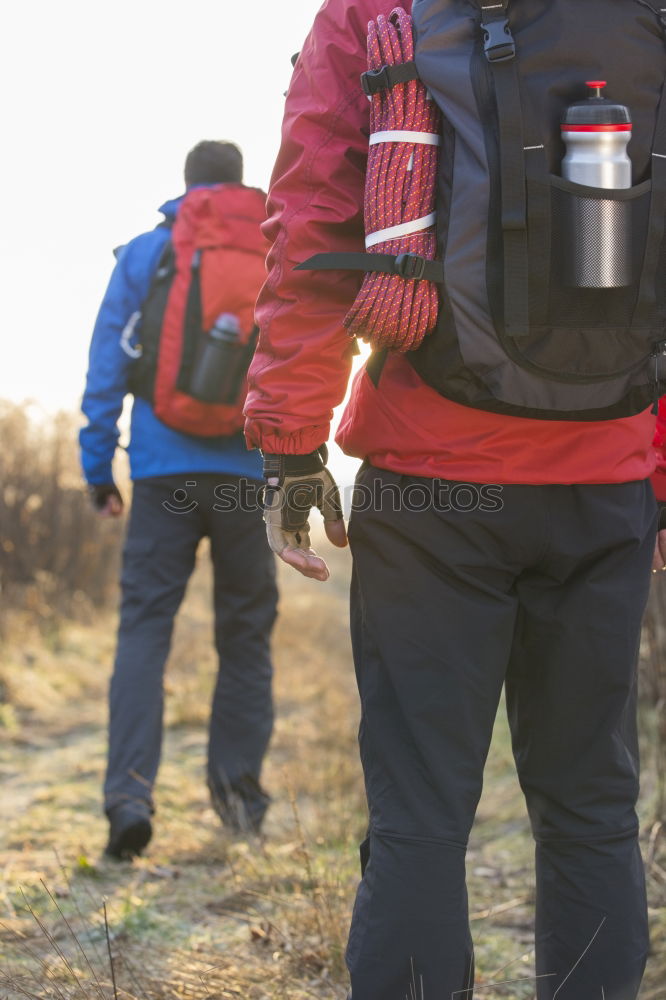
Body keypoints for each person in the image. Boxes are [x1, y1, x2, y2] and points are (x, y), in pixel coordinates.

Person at [244, 2, 666, 997]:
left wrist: (291, 450)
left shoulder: (377, 14)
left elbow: (311, 225)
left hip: (433, 485)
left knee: (420, 814)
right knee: (592, 806)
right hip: (605, 478)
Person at [80, 140, 277, 860]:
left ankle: (129, 799)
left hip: (164, 477)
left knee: (144, 633)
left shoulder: (146, 254)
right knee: (245, 636)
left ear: (188, 188)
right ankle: (239, 801)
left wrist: (99, 470)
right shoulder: (273, 249)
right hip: (248, 477)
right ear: (239, 185)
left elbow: (106, 360)